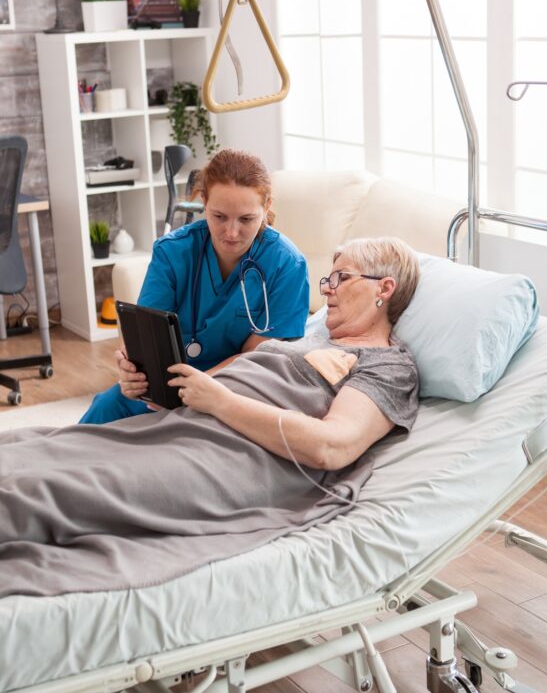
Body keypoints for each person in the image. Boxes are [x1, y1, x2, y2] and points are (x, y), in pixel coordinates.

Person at [0, 238, 421, 599]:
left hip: (234, 461)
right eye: (327, 279)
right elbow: (214, 389)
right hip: (184, 429)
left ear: (384, 288)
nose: (327, 289)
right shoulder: (306, 343)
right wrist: (168, 390)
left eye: (341, 279)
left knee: (46, 491)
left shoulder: (387, 366)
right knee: (33, 450)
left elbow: (332, 446)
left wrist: (218, 401)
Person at [80, 148, 310, 424]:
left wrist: (199, 387)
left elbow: (256, 357)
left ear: (267, 205)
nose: (231, 232)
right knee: (107, 407)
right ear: (203, 201)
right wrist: (131, 369)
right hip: (169, 386)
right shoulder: (173, 251)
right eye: (219, 216)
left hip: (236, 388)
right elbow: (143, 333)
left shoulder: (287, 265)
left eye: (246, 219)